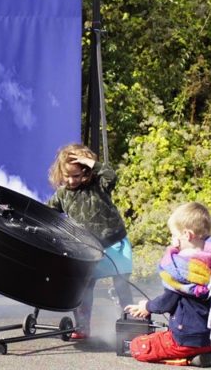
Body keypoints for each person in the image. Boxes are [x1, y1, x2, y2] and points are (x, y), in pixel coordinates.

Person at [125, 202, 211, 366]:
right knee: (200, 339)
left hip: (185, 339)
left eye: (174, 235)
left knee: (138, 347)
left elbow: (166, 302)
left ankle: (191, 359)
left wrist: (146, 307)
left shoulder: (180, 269)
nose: (172, 240)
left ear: (186, 235)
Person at [47, 143, 133, 339]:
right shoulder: (63, 194)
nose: (70, 180)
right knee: (84, 288)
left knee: (122, 285)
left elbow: (111, 175)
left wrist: (89, 162)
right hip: (88, 249)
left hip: (114, 244)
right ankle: (83, 326)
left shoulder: (99, 186)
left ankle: (130, 323)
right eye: (66, 176)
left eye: (76, 176)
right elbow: (48, 212)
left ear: (86, 171)